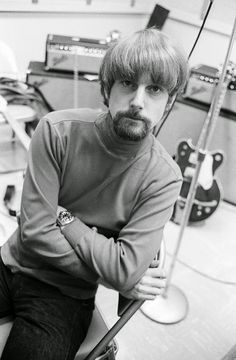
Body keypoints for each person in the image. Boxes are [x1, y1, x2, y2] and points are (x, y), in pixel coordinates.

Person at [0, 28, 188, 359]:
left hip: (66, 297)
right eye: (128, 83)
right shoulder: (56, 131)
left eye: (154, 89)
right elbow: (33, 235)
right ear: (107, 87)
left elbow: (126, 269)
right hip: (11, 263)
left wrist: (65, 219)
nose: (138, 101)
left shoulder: (165, 179)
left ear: (169, 101)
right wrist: (114, 276)